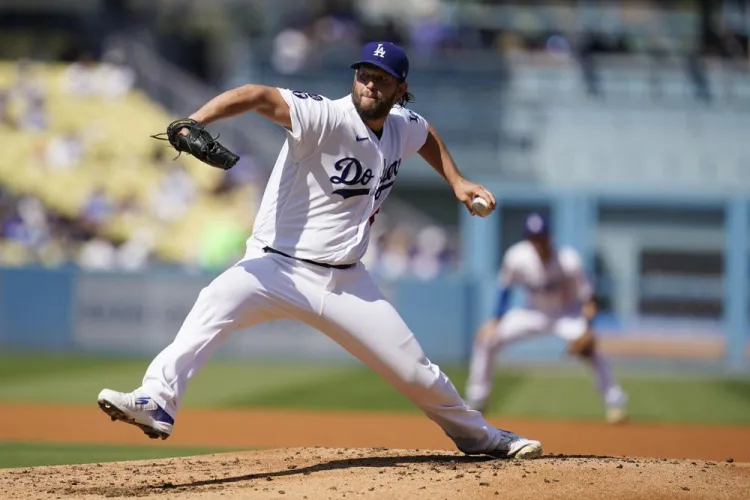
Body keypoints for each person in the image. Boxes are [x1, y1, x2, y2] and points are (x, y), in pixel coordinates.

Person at [97, 41, 543, 459]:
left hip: (347, 280)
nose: (370, 84)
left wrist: (457, 181)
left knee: (417, 373)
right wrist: (193, 121)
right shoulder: (324, 117)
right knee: (214, 300)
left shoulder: (401, 127)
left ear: (400, 90)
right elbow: (255, 94)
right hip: (276, 267)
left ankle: (479, 437)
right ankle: (157, 400)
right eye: (364, 74)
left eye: (382, 79)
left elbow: (425, 134)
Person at [464, 212, 629, 424]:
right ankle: (477, 400)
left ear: (549, 237)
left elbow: (589, 298)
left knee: (592, 350)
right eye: (533, 238)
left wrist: (588, 328)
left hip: (566, 315)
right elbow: (505, 289)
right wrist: (495, 320)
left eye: (541, 237)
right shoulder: (517, 257)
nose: (538, 242)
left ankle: (615, 403)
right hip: (532, 314)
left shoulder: (568, 260)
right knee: (486, 339)